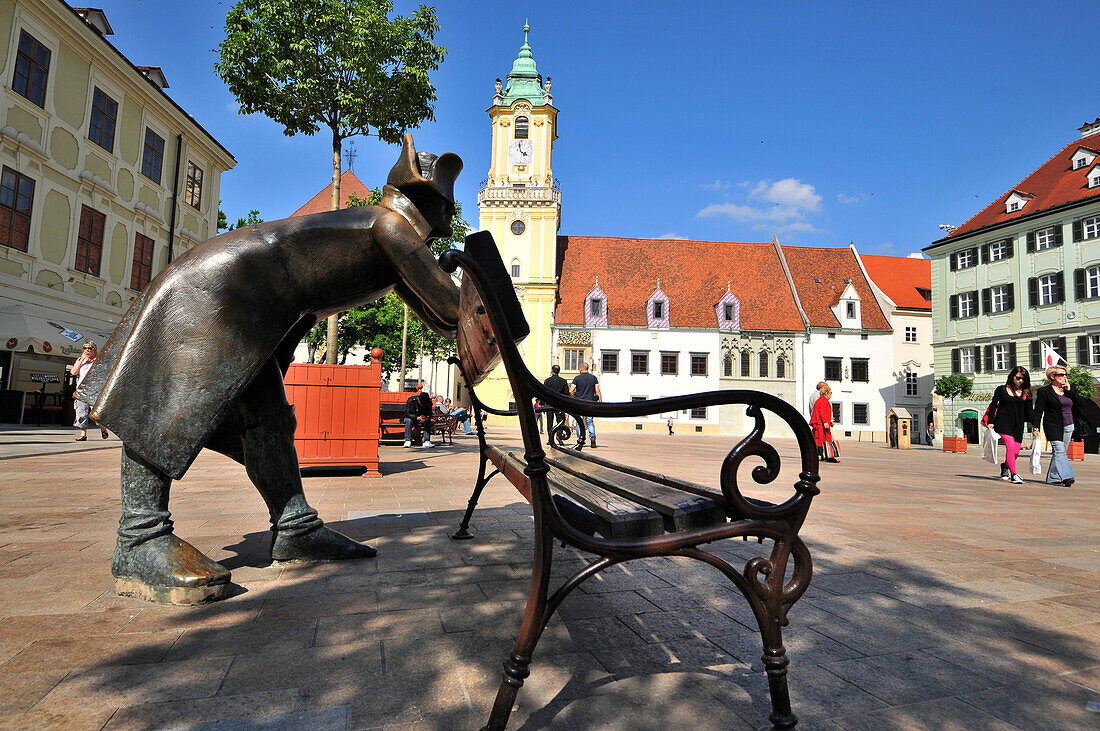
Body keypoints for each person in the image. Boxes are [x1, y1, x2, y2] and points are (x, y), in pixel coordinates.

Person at [76, 135, 462, 604]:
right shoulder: (392, 227)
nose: (453, 214)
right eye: (448, 203)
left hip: (248, 305)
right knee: (171, 408)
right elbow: (450, 307)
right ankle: (139, 537)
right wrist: (484, 287)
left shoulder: (389, 233)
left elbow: (439, 317)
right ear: (427, 200)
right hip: (220, 294)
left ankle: (294, 527)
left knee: (268, 420)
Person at [1032, 366, 1091, 487]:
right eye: (1061, 375)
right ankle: (1067, 476)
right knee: (1059, 451)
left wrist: (1070, 391)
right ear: (1052, 376)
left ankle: (1053, 477)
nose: (1064, 377)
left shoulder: (1070, 389)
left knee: (1060, 452)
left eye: (1065, 375)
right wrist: (1035, 427)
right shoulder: (1044, 391)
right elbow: (1038, 410)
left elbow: (1081, 404)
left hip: (1069, 425)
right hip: (1052, 425)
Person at [984, 366, 1034, 484]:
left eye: (1023, 378)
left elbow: (1030, 411)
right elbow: (993, 406)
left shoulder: (1026, 392)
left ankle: (1005, 466)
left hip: (1018, 424)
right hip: (1003, 422)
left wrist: (1035, 426)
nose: (1020, 381)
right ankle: (1014, 475)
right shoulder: (1001, 390)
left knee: (1015, 452)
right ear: (1012, 377)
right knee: (1010, 447)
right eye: (1018, 378)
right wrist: (990, 422)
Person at [70, 342, 109, 441]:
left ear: (94, 350)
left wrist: (95, 362)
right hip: (81, 390)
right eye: (85, 348)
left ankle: (103, 429)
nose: (87, 350)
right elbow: (73, 372)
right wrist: (82, 360)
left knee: (96, 412)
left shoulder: (99, 361)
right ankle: (83, 434)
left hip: (94, 390)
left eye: (89, 348)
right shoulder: (80, 360)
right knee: (81, 412)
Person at [570, 362, 601, 449]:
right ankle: (592, 437)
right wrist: (600, 403)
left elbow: (570, 391)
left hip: (579, 402)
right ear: (587, 368)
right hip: (590, 402)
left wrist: (574, 398)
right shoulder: (593, 378)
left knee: (579, 421)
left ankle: (581, 439)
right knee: (589, 421)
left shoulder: (577, 378)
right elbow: (597, 391)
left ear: (580, 368)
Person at [809, 383, 838, 463]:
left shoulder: (821, 400)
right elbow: (822, 412)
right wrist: (826, 421)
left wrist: (829, 421)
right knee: (822, 440)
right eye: (830, 392)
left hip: (820, 423)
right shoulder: (823, 401)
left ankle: (822, 455)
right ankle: (826, 455)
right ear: (826, 392)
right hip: (820, 424)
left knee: (820, 439)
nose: (831, 394)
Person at [542, 365, 570, 441]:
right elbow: (566, 393)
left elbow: (544, 393)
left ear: (552, 371)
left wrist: (543, 404)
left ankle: (550, 439)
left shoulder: (547, 381)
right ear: (559, 371)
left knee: (549, 423)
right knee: (560, 421)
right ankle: (559, 436)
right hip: (559, 404)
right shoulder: (563, 381)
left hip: (549, 404)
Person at [404, 382, 435, 448]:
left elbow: (430, 412)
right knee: (408, 421)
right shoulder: (411, 400)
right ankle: (408, 440)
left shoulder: (428, 401)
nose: (423, 405)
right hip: (411, 418)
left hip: (422, 418)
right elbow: (407, 413)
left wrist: (427, 417)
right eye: (421, 404)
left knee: (428, 421)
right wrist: (417, 417)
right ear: (418, 399)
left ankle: (426, 441)